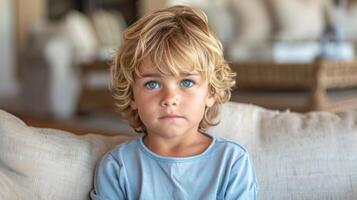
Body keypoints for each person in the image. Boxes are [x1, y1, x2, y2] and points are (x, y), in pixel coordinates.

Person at [90, 5, 258, 200]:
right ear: (132, 95)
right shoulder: (117, 167)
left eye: (187, 82)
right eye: (152, 84)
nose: (169, 98)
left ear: (211, 92)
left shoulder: (231, 163)